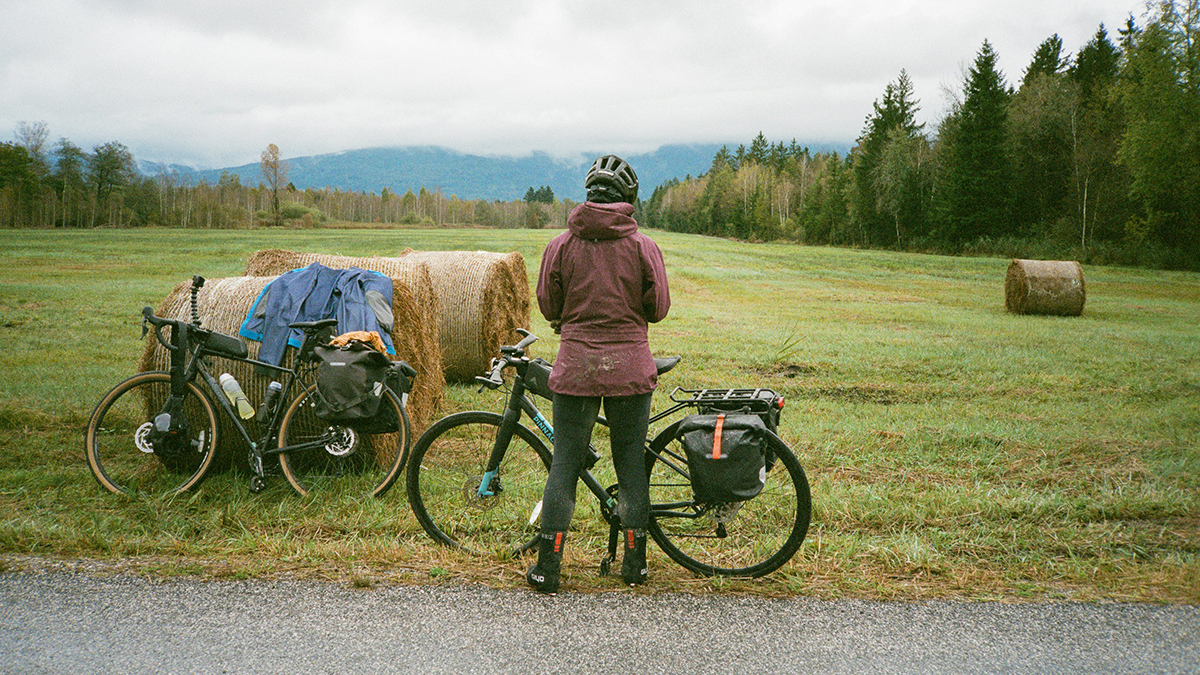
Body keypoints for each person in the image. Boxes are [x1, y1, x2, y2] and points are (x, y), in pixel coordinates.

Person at [527, 155, 671, 594]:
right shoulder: (643, 246)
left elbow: (549, 307)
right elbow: (659, 308)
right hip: (630, 368)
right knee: (630, 465)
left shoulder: (561, 245)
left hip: (576, 368)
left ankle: (547, 568)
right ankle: (635, 565)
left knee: (564, 465)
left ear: (588, 195)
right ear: (627, 199)